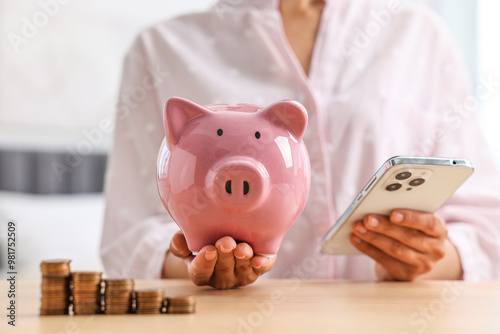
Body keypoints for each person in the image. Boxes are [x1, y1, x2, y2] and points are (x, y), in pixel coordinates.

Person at [100, 0, 500, 289]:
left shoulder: (418, 36)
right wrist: (197, 266)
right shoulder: (161, 48)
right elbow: (127, 236)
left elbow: (485, 223)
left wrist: (426, 260)